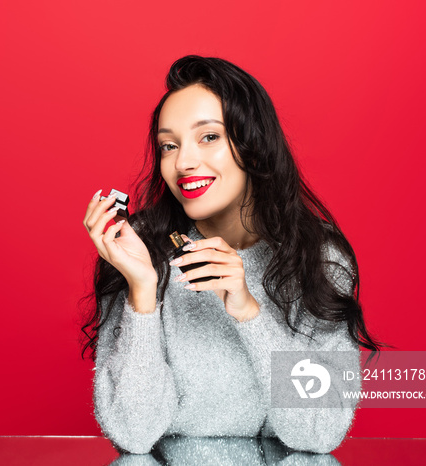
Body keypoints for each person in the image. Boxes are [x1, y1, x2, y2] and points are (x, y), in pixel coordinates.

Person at [81, 55, 383, 455]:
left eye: (208, 137)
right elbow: (133, 433)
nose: (183, 163)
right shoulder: (139, 252)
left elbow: (319, 432)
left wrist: (248, 312)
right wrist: (143, 294)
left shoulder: (317, 258)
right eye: (169, 145)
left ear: (253, 147)